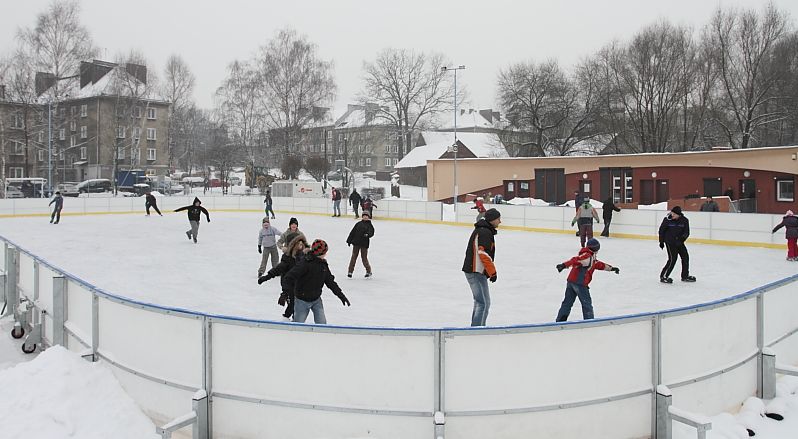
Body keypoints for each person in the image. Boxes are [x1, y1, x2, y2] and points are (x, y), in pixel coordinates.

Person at [283, 239, 350, 324]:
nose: (326, 254)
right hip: (302, 301)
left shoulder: (323, 265)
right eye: (325, 252)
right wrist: (285, 292)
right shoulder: (304, 264)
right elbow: (288, 277)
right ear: (320, 253)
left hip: (316, 300)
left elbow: (330, 282)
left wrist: (341, 296)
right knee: (297, 325)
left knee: (322, 324)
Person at [555, 238, 619, 322]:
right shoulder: (587, 257)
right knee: (587, 304)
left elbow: (598, 264)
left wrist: (611, 268)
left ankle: (560, 321)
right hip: (580, 284)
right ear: (596, 249)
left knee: (567, 302)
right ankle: (589, 322)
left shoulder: (590, 256)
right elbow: (575, 260)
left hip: (571, 282)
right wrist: (563, 265)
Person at [461, 208, 501, 327]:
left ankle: (480, 328)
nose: (500, 221)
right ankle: (476, 330)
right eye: (498, 219)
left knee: (485, 302)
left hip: (479, 272)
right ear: (493, 219)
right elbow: (483, 254)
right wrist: (492, 272)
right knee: (481, 302)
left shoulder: (485, 230)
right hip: (474, 271)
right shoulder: (484, 232)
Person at [258, 235, 309, 319]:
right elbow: (277, 270)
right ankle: (288, 319)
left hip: (300, 286)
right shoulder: (288, 258)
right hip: (289, 286)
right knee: (293, 305)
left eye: (302, 243)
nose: (301, 246)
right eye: (298, 243)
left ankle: (288, 318)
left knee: (296, 306)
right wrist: (266, 277)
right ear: (293, 245)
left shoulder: (306, 257)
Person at [658, 206, 695, 283]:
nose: (672, 215)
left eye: (674, 214)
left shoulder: (684, 220)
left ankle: (685, 276)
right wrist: (661, 241)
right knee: (672, 259)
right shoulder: (667, 220)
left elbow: (686, 232)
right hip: (670, 242)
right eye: (672, 213)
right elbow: (661, 231)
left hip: (679, 242)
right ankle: (664, 276)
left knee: (685, 257)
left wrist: (681, 240)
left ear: (679, 214)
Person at [346, 212, 375, 278]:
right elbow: (352, 232)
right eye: (364, 216)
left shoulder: (370, 225)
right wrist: (349, 240)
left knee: (364, 258)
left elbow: (372, 232)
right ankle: (350, 271)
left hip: (364, 244)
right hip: (356, 243)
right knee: (353, 257)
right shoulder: (358, 224)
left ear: (368, 217)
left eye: (366, 216)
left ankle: (368, 271)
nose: (365, 217)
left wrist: (368, 234)